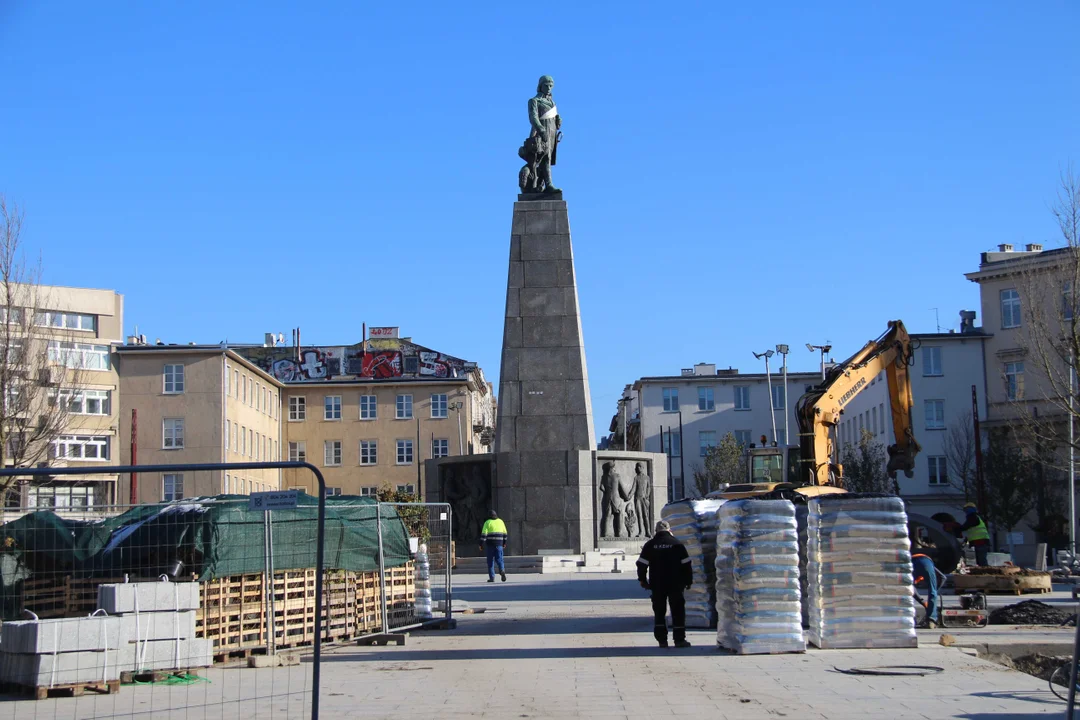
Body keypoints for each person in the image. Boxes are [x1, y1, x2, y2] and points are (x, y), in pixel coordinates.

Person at [636, 520, 693, 648]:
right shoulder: (677, 544)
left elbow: (641, 564)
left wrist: (643, 580)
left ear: (656, 531)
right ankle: (679, 639)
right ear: (669, 530)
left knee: (659, 611)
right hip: (676, 583)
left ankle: (662, 640)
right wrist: (688, 581)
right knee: (678, 611)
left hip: (657, 584)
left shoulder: (650, 545)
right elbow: (687, 564)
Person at [911, 552, 939, 629]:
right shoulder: (931, 568)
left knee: (908, 588)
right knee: (933, 590)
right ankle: (931, 620)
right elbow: (943, 578)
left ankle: (910, 618)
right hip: (925, 561)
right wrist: (935, 593)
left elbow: (911, 589)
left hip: (912, 562)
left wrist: (922, 601)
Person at [479, 510, 508, 583]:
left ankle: (492, 578)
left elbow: (484, 535)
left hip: (490, 545)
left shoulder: (487, 522)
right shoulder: (501, 521)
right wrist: (504, 543)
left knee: (490, 561)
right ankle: (502, 570)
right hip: (499, 544)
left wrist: (481, 544)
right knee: (499, 559)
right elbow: (505, 534)